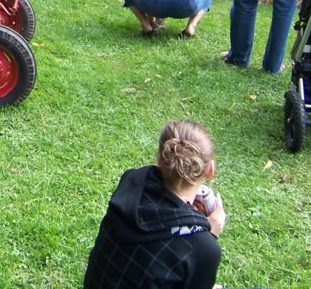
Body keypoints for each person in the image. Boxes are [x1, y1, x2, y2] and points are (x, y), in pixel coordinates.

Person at [83, 119, 225, 289]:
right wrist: (209, 235)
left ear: (160, 159)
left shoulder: (131, 184)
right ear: (210, 170)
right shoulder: (204, 248)